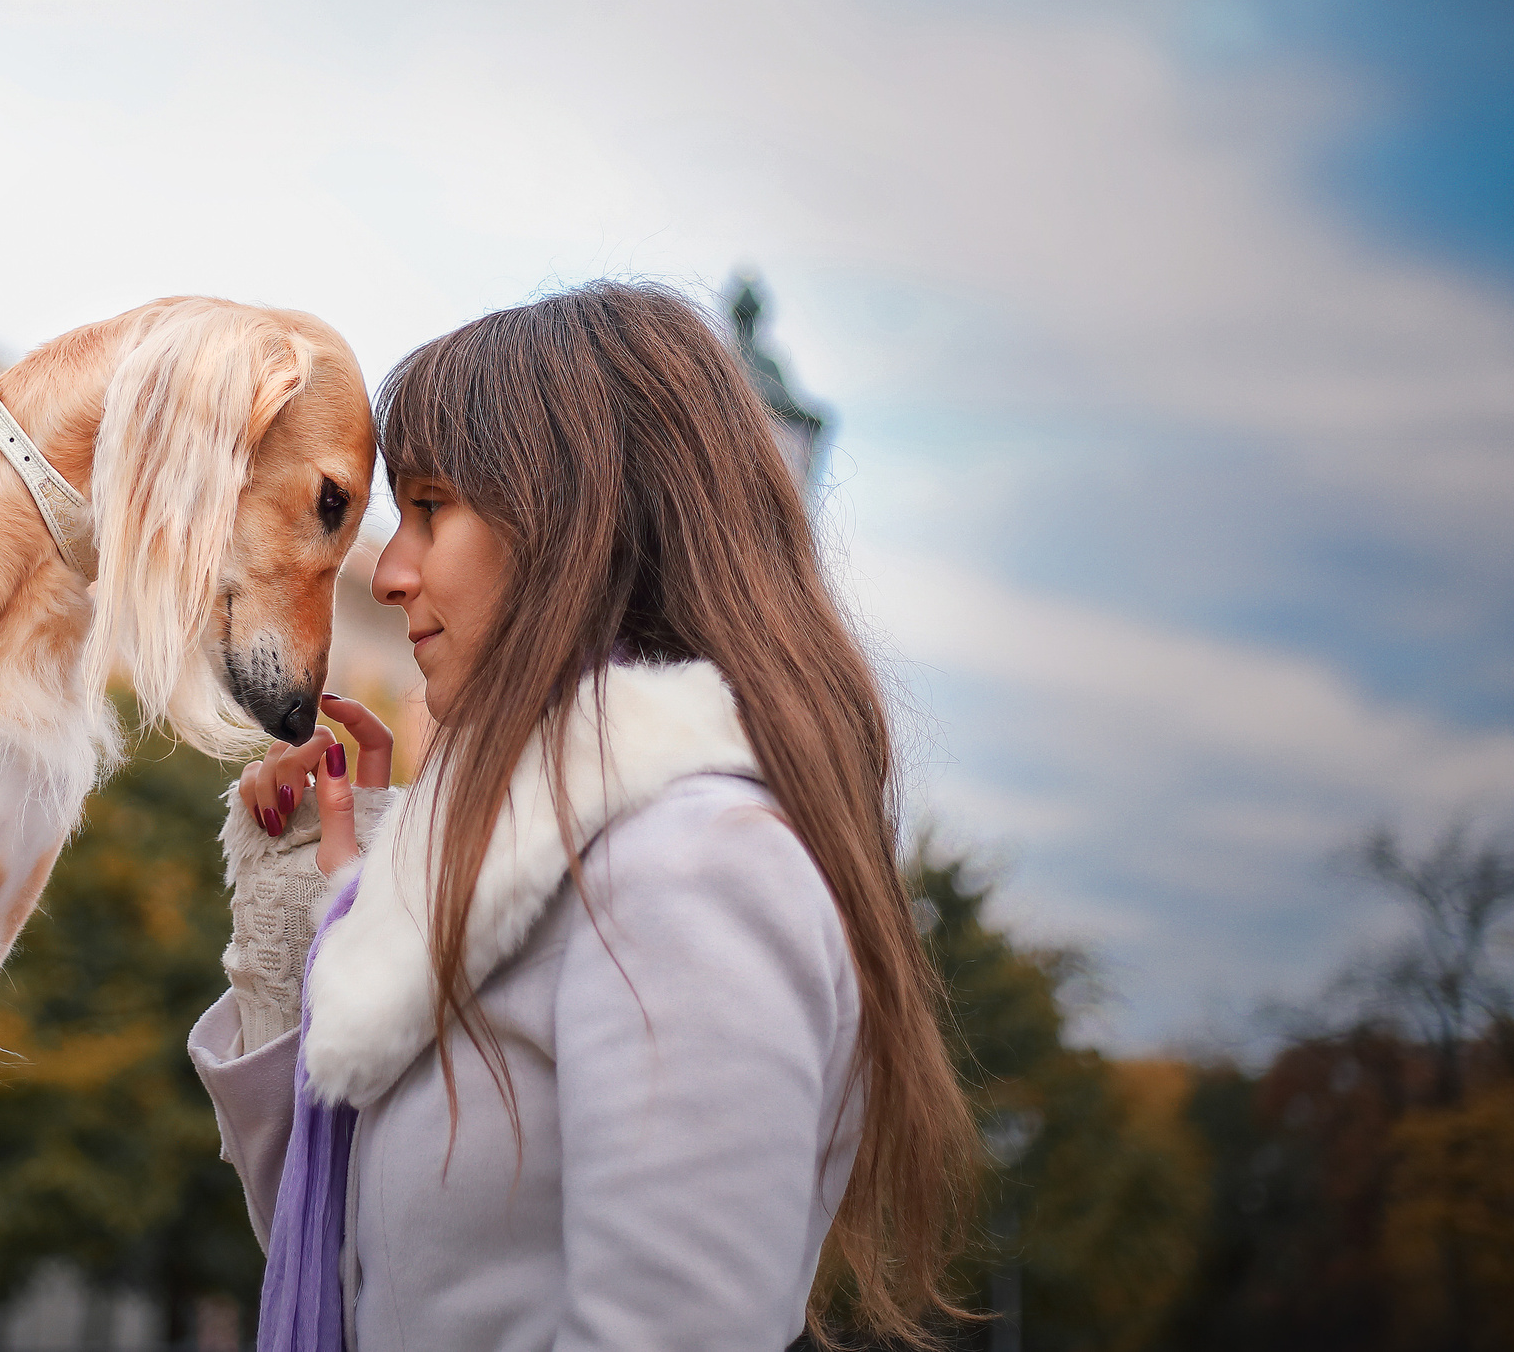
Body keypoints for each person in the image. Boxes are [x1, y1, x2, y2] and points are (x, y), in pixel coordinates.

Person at [187, 281, 971, 1352]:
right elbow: (334, 1274)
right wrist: (319, 901)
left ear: (573, 529)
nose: (395, 573)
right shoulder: (526, 870)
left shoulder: (689, 866)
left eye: (428, 509)